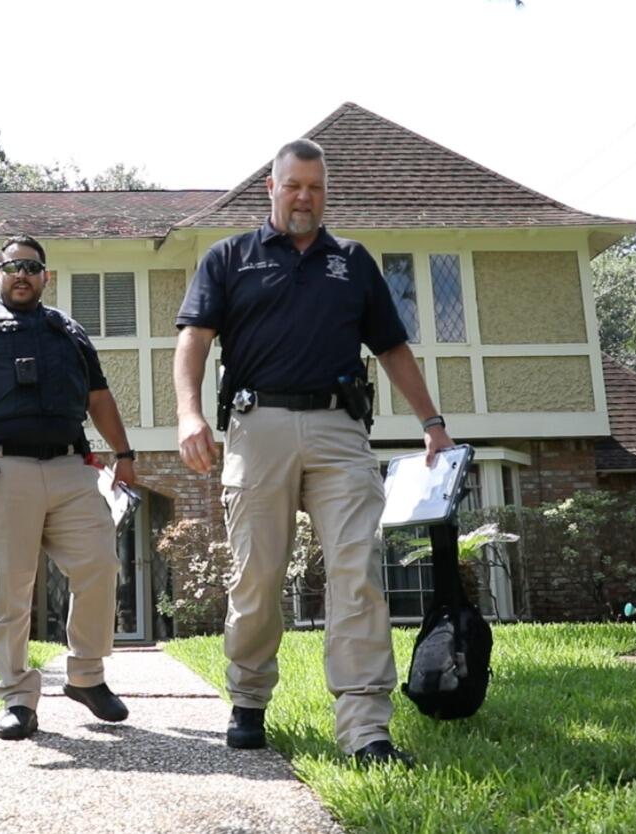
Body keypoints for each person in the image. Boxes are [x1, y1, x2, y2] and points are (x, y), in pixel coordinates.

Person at [173, 139, 454, 768]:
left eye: (316, 188)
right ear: (270, 188)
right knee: (258, 577)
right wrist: (190, 414)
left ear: (326, 193)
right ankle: (247, 701)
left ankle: (364, 727)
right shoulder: (229, 258)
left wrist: (432, 422)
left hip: (339, 430)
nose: (305, 198)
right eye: (294, 185)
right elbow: (193, 340)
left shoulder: (352, 262)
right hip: (257, 425)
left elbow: (391, 348)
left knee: (357, 572)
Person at [0, 233, 139, 741]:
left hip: (70, 468)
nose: (22, 274)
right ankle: (18, 697)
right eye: (13, 266)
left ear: (45, 277)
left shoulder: (69, 330)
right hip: (1, 469)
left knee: (100, 563)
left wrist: (124, 456)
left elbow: (99, 397)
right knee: (9, 590)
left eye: (32, 267)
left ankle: (86, 675)